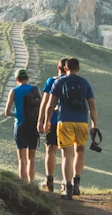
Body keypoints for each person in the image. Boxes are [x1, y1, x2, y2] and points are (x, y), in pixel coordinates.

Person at [39, 57, 98, 198]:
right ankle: (77, 183)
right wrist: (94, 124)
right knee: (80, 151)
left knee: (67, 154)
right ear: (79, 68)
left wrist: (46, 120)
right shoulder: (84, 83)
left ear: (65, 68)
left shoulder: (59, 81)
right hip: (82, 122)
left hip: (64, 121)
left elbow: (50, 104)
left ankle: (68, 187)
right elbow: (92, 106)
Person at [4, 69, 41, 182]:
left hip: (20, 125)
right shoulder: (36, 90)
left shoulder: (14, 91)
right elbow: (42, 106)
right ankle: (32, 184)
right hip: (33, 125)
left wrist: (18, 114)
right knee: (32, 158)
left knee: (22, 159)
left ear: (16, 79)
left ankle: (24, 186)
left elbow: (7, 112)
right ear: (27, 78)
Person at [40, 57, 68, 193]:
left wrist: (41, 120)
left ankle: (49, 179)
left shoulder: (51, 81)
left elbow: (45, 102)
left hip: (53, 121)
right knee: (66, 153)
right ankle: (66, 182)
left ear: (59, 68)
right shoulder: (73, 82)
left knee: (50, 150)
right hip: (68, 121)